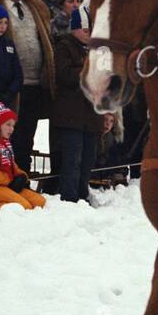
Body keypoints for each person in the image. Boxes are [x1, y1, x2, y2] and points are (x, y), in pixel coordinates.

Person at [0, 0, 56, 172]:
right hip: (6, 87)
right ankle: (6, 177)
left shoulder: (36, 6)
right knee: (6, 136)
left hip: (34, 84)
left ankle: (22, 175)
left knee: (28, 136)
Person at [50, 11, 105, 202]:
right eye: (85, 29)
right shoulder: (64, 47)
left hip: (91, 114)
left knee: (88, 159)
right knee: (72, 160)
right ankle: (69, 198)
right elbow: (64, 75)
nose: (89, 33)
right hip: (71, 115)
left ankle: (82, 194)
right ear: (74, 29)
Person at [0, 97, 47, 212]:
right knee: (23, 206)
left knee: (40, 202)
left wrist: (21, 176)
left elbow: (13, 166)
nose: (11, 129)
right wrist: (10, 180)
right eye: (8, 125)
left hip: (3, 183)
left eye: (13, 126)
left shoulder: (5, 143)